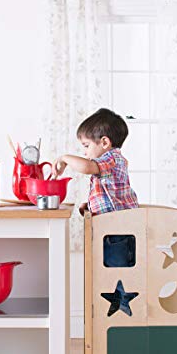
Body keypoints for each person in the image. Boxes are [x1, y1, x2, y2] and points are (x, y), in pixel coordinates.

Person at [52, 108, 139, 266]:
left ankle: (121, 284)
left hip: (117, 231)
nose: (85, 152)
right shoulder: (108, 163)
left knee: (116, 271)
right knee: (107, 269)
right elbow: (109, 193)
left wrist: (64, 158)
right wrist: (91, 206)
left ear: (104, 142)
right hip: (112, 228)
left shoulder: (112, 158)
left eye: (86, 146)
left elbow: (86, 167)